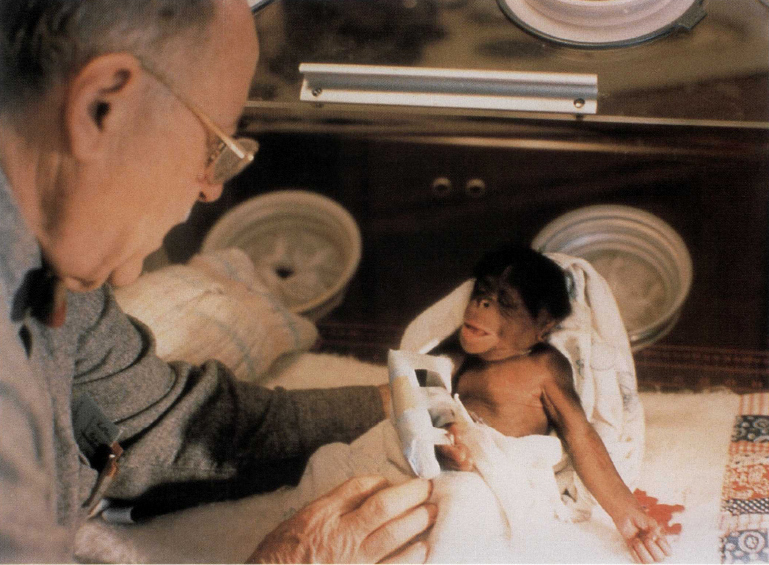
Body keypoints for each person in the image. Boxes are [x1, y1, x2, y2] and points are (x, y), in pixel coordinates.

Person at [0, 1, 435, 562]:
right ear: (103, 105)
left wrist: (394, 404)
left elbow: (162, 424)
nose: (209, 188)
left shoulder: (57, 268)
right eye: (215, 147)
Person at [433, 245, 672, 564]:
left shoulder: (543, 366)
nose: (482, 304)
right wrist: (437, 438)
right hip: (442, 462)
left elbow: (580, 436)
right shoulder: (455, 357)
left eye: (505, 302)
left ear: (542, 325)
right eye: (482, 292)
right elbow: (418, 396)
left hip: (490, 478)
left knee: (460, 508)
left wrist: (625, 511)